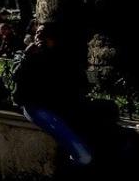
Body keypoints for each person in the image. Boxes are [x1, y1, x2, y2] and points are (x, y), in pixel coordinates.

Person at [13, 23, 93, 165]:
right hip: (34, 105)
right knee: (83, 155)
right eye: (37, 33)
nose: (39, 37)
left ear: (54, 39)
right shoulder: (26, 55)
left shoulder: (63, 57)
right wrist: (27, 57)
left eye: (44, 35)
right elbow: (16, 76)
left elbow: (80, 84)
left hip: (59, 105)